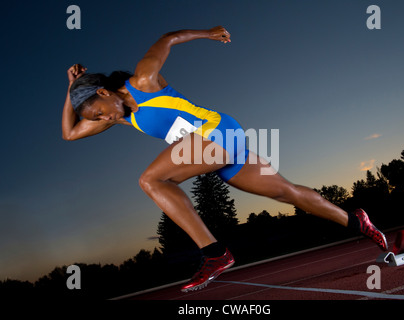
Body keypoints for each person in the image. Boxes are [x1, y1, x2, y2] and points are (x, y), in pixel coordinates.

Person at [62, 26, 387, 292]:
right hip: (218, 148)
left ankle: (214, 254)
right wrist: (71, 87)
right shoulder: (121, 117)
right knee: (285, 192)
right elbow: (70, 134)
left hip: (216, 131)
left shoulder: (144, 80)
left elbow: (167, 39)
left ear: (104, 92)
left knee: (150, 179)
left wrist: (208, 33)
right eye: (98, 118)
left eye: (100, 113)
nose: (104, 119)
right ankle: (356, 221)